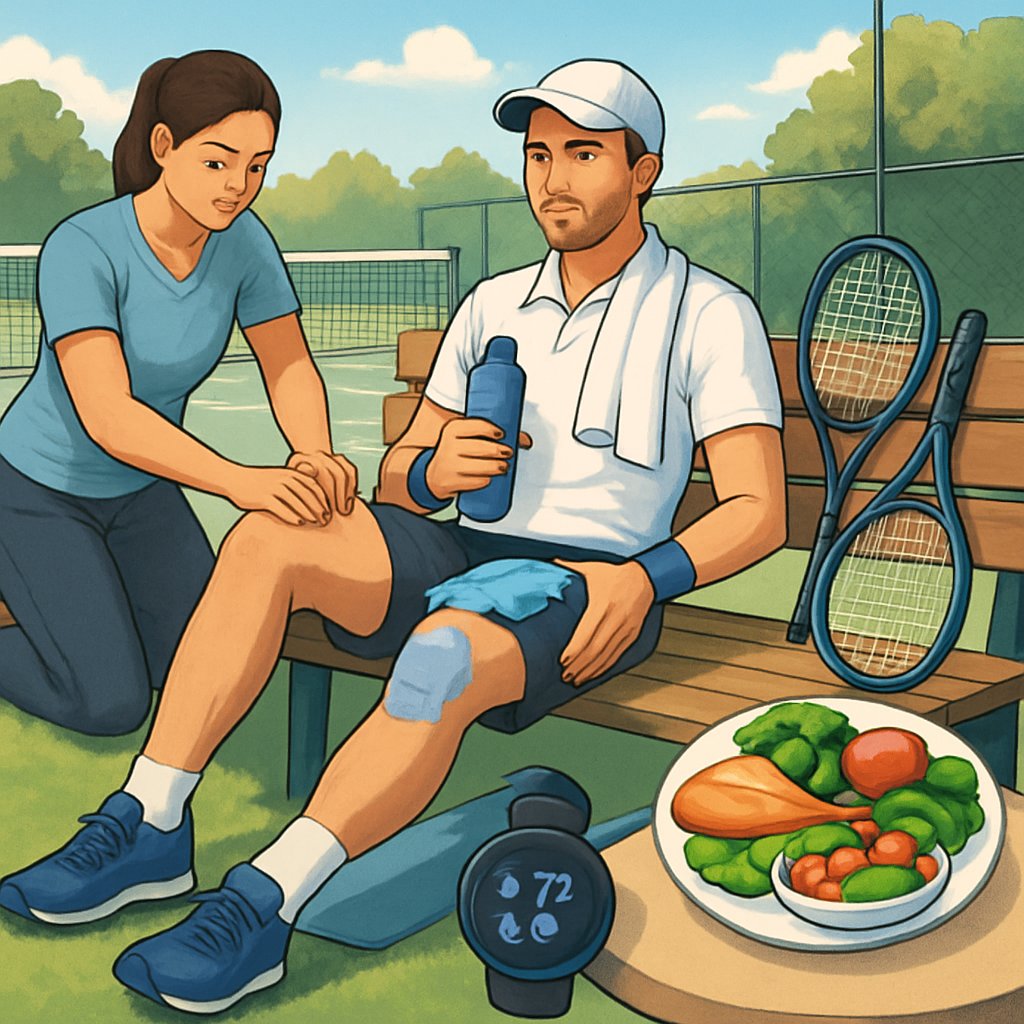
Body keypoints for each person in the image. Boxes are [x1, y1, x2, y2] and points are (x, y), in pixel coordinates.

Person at [0, 59, 786, 1013]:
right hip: (458, 553)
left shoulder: (708, 312)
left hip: (590, 586)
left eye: (583, 153)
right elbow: (399, 476)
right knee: (267, 537)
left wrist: (646, 581)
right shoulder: (494, 303)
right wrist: (429, 468)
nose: (553, 178)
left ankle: (263, 906)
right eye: (539, 154)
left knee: (441, 654)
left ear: (643, 170)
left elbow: (758, 511)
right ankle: (151, 824)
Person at [0, 50, 356, 735]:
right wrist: (235, 481)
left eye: (258, 166)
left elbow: (287, 364)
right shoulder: (83, 247)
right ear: (164, 146)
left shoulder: (245, 243)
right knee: (113, 705)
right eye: (218, 162)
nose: (239, 186)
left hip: (142, 493)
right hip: (39, 489)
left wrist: (315, 451)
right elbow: (108, 416)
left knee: (200, 666)